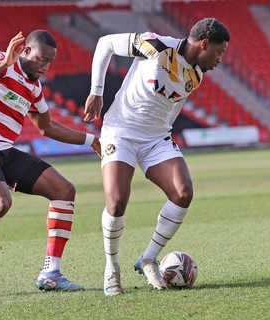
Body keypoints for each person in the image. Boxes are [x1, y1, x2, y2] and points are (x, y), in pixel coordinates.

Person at [0, 30, 101, 295]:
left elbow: (46, 128)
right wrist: (2, 65)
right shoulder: (2, 60)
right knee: (0, 203)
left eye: (50, 62)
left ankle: (51, 273)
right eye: (41, 59)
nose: (46, 66)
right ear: (26, 51)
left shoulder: (34, 88)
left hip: (4, 151)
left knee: (64, 190)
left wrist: (91, 139)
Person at [84, 18, 230, 296]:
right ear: (204, 44)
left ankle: (148, 258)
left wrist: (162, 135)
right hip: (120, 132)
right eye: (219, 52)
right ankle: (111, 268)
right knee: (116, 201)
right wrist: (97, 92)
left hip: (156, 138)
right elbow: (105, 44)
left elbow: (170, 110)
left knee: (183, 193)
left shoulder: (197, 74)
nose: (220, 59)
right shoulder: (157, 46)